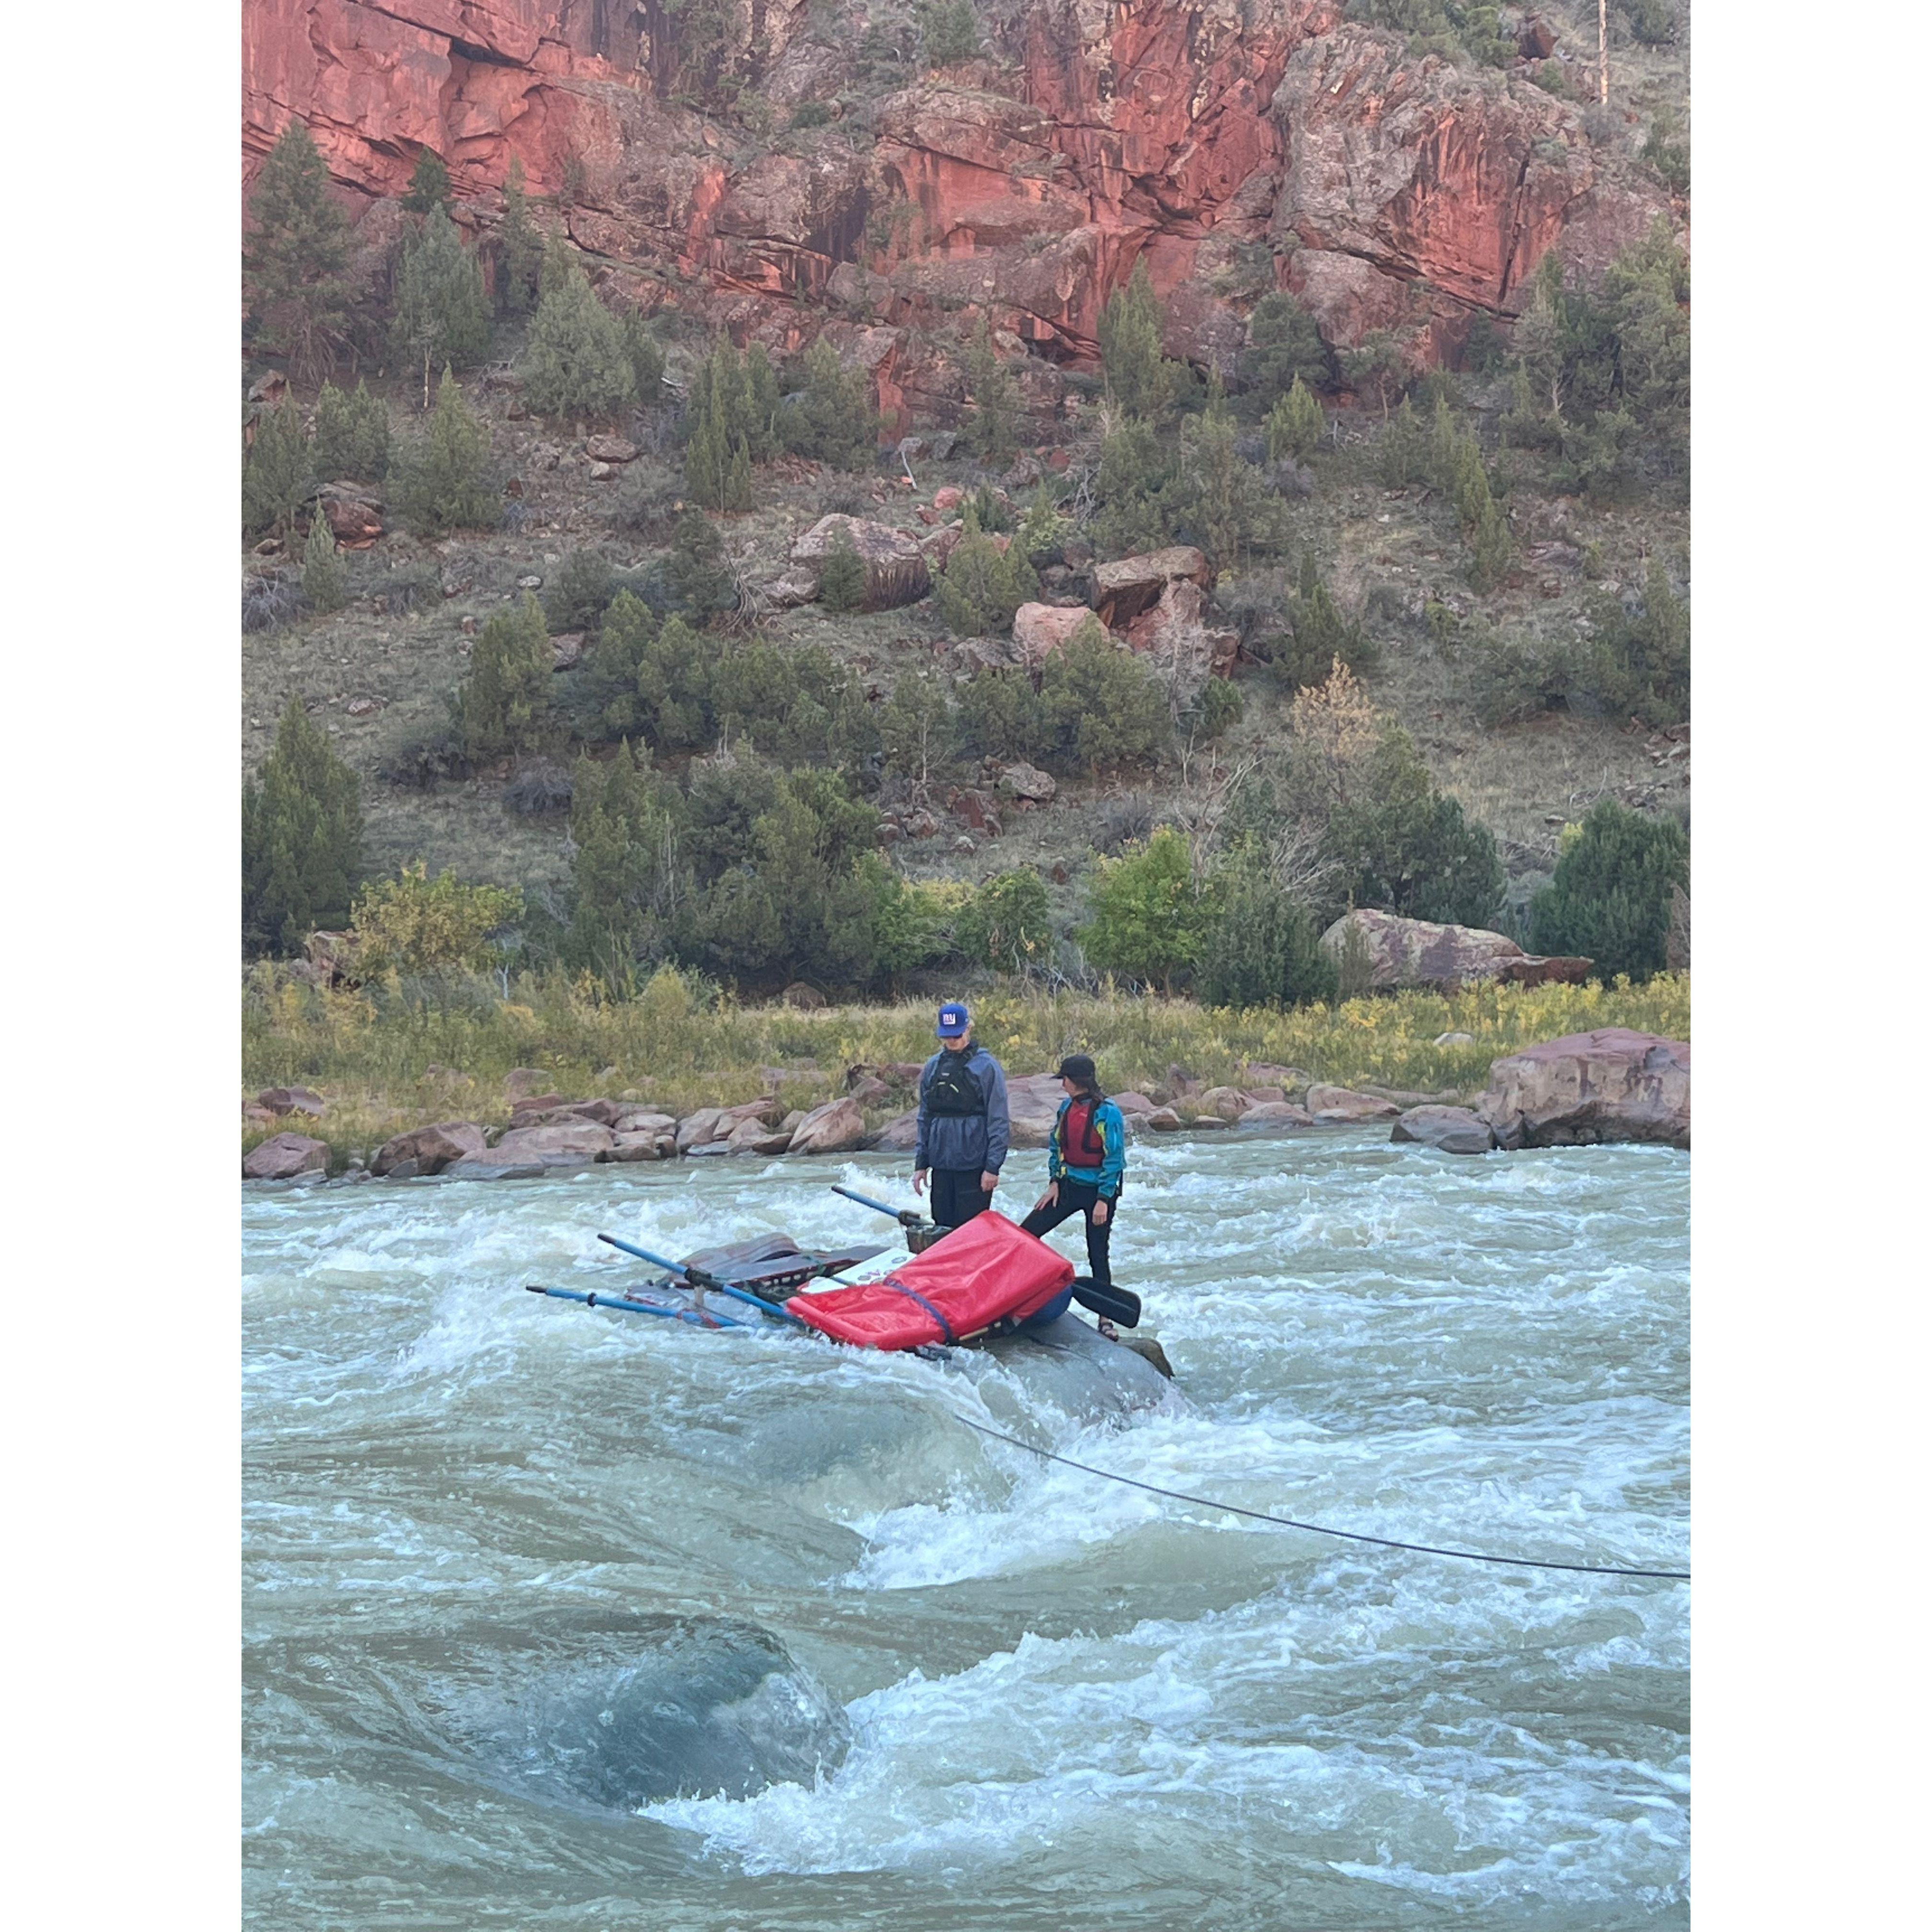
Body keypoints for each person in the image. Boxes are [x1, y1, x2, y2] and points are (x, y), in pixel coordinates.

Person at [1022, 1055, 1126, 1304]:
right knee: (1026, 1234)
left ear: (1077, 1081)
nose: (1062, 1085)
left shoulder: (1108, 1114)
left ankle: (1105, 1318)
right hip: (1069, 1187)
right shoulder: (1066, 1109)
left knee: (1098, 1255)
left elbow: (1114, 1159)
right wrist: (1054, 1182)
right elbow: (1056, 1147)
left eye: (1065, 1079)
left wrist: (1104, 1199)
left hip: (1099, 1193)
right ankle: (1026, 1294)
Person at [912, 1002, 1010, 1230]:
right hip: (942, 1165)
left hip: (973, 1167)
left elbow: (999, 1120)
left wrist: (993, 1167)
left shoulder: (987, 1067)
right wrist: (921, 1164)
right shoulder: (933, 1066)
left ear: (968, 1028)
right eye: (947, 1036)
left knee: (973, 1231)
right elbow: (924, 1116)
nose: (952, 1041)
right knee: (942, 1228)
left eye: (956, 1035)